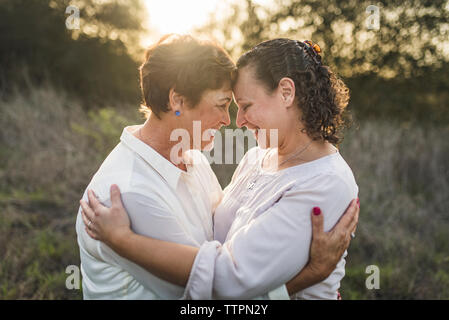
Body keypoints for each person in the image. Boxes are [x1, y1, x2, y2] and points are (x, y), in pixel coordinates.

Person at [79, 37, 359, 300]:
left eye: (244, 105)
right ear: (177, 101)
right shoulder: (131, 191)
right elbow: (208, 291)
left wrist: (124, 240)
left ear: (286, 92)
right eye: (226, 105)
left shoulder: (323, 181)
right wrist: (312, 274)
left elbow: (224, 273)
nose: (235, 121)